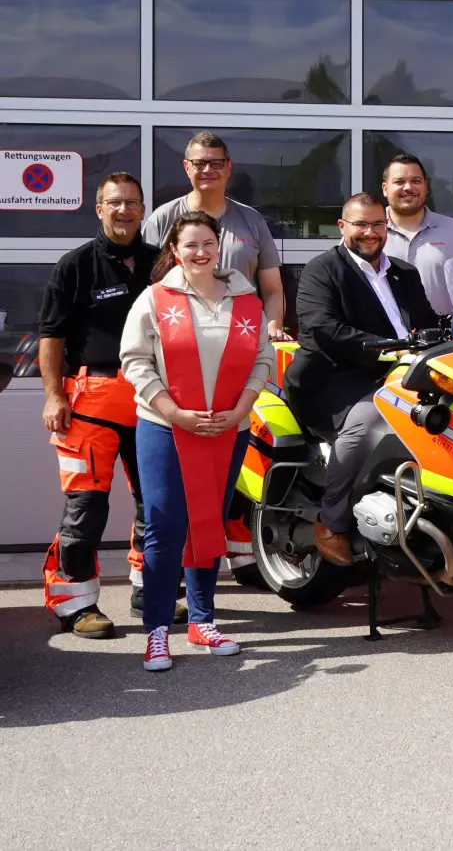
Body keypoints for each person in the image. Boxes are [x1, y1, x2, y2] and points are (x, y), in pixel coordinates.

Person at [120, 211, 273, 671]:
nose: (201, 252)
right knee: (166, 528)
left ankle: (202, 621)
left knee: (209, 520)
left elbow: (262, 360)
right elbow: (134, 361)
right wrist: (174, 412)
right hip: (166, 428)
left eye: (208, 243)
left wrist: (243, 408)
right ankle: (157, 631)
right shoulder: (154, 298)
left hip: (229, 428)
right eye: (191, 245)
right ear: (174, 249)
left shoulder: (246, 301)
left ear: (219, 247)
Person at [142, 130, 287, 587]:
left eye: (215, 162)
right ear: (186, 167)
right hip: (178, 368)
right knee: (166, 482)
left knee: (236, 454)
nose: (207, 169)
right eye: (198, 162)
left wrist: (273, 328)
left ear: (228, 168)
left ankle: (238, 551)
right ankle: (152, 577)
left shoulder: (251, 222)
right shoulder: (164, 219)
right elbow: (146, 291)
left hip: (238, 363)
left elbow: (273, 289)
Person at [284, 193, 443, 565]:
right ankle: (332, 521)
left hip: (403, 376)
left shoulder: (404, 272)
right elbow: (323, 330)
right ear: (343, 227)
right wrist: (388, 349)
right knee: (370, 422)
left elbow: (428, 321)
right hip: (333, 381)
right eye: (361, 224)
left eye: (377, 224)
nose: (370, 232)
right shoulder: (322, 269)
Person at [37, 173, 158, 638]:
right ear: (99, 209)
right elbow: (52, 337)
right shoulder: (75, 266)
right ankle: (77, 603)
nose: (123, 211)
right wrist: (53, 396)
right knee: (86, 507)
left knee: (156, 503)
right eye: (115, 203)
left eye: (131, 203)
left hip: (152, 400)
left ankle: (151, 590)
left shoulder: (160, 264)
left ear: (143, 209)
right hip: (92, 401)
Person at [380, 153, 453, 315]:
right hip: (383, 337)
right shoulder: (366, 232)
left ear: (426, 187)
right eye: (399, 182)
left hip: (442, 336)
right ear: (385, 189)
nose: (408, 187)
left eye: (416, 181)